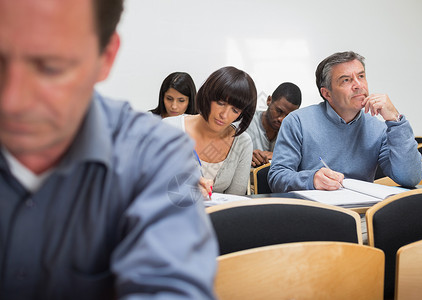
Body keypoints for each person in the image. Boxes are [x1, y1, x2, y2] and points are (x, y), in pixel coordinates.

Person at [0, 0, 218, 299]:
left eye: (50, 67)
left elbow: (171, 286)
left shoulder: (154, 155)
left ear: (106, 56)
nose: (11, 101)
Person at [268, 51, 422, 192]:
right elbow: (277, 177)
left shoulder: (378, 129)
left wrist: (395, 119)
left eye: (361, 76)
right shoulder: (297, 122)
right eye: (346, 80)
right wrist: (311, 179)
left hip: (362, 214)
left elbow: (410, 178)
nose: (358, 85)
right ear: (327, 93)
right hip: (313, 212)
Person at [164, 66, 257, 196]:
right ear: (208, 95)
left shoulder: (242, 142)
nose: (224, 115)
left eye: (235, 110)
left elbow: (235, 201)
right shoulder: (169, 128)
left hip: (219, 216)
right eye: (220, 103)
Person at [246, 82, 301, 167]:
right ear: (269, 100)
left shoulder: (294, 134)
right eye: (279, 111)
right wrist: (246, 156)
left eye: (288, 116)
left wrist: (278, 157)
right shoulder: (245, 123)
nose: (281, 119)